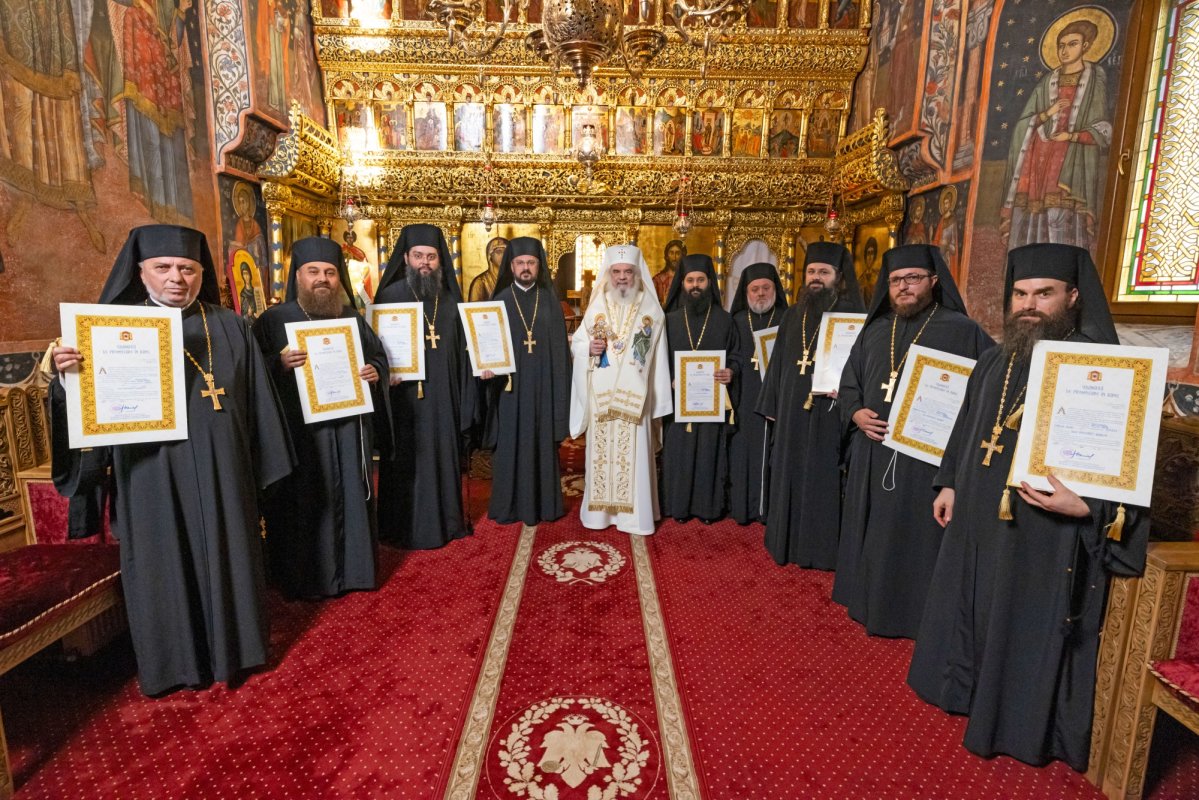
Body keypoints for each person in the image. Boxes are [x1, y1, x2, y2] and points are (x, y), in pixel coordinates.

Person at [908, 243, 1148, 771]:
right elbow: (967, 427)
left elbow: (1125, 459)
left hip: (1043, 528)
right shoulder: (995, 359)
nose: (1029, 305)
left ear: (1073, 296)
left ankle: (1011, 721)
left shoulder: (1099, 364)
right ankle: (963, 690)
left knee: (1018, 616)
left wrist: (1088, 506)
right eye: (1020, 294)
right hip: (977, 510)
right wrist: (949, 483)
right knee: (973, 598)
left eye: (1044, 293)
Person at [49, 224, 293, 696]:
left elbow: (260, 401)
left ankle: (237, 652)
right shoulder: (109, 329)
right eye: (163, 267)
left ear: (202, 273)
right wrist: (67, 380)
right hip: (151, 473)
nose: (176, 278)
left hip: (224, 472)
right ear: (140, 272)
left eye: (187, 268)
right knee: (164, 560)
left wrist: (262, 472)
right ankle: (176, 664)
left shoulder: (231, 326)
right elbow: (86, 413)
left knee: (230, 552)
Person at [834, 244, 993, 637]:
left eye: (913, 278)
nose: (903, 287)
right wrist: (855, 412)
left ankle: (908, 612)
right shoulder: (875, 330)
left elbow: (986, 393)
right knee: (871, 529)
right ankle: (866, 600)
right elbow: (849, 381)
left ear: (933, 281)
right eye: (895, 281)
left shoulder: (963, 331)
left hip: (923, 459)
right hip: (872, 451)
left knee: (911, 536)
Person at [251, 236, 390, 598]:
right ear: (298, 275)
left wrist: (375, 370)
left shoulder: (352, 318)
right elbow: (250, 372)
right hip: (301, 434)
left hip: (347, 430)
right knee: (306, 500)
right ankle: (304, 580)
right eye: (313, 271)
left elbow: (377, 356)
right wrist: (278, 363)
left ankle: (355, 572)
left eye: (329, 272)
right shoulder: (273, 320)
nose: (322, 279)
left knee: (351, 494)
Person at [757, 245, 863, 561]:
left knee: (822, 474)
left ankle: (820, 549)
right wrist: (772, 407)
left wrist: (849, 393)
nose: (816, 278)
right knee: (788, 470)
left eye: (823, 272)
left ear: (838, 277)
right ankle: (785, 543)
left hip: (830, 412)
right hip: (791, 413)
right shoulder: (793, 315)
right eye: (811, 272)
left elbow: (862, 367)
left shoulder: (852, 317)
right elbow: (777, 364)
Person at [373, 224, 477, 549]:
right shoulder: (389, 297)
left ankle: (445, 523)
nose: (425, 263)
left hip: (443, 397)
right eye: (418, 256)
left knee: (442, 456)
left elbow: (463, 351)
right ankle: (399, 528)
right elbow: (374, 352)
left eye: (431, 256)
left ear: (440, 260)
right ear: (405, 258)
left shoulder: (450, 300)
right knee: (405, 458)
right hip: (403, 399)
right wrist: (384, 373)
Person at [570, 244, 671, 535]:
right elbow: (579, 343)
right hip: (601, 396)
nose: (622, 277)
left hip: (635, 397)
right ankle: (600, 516)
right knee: (600, 457)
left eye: (628, 271)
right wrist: (588, 348)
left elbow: (658, 359)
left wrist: (658, 399)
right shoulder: (597, 306)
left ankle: (634, 518)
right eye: (616, 271)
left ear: (637, 274)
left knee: (635, 457)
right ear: (609, 273)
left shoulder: (651, 310)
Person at [480, 237, 570, 525]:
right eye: (520, 263)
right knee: (511, 445)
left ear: (539, 266)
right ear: (511, 266)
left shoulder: (550, 301)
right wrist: (486, 368)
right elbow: (486, 346)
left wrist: (560, 397)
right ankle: (509, 506)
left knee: (542, 444)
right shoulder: (500, 301)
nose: (526, 268)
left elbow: (561, 354)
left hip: (544, 389)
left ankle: (545, 506)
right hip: (510, 390)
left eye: (531, 262)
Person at [659, 254, 739, 522]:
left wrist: (731, 371)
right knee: (679, 453)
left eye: (701, 280)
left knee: (708, 454)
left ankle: (708, 508)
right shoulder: (669, 320)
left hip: (711, 405)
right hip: (678, 403)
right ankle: (678, 506)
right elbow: (658, 360)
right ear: (682, 284)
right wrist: (670, 378)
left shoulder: (725, 320)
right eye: (690, 280)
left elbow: (736, 355)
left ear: (710, 283)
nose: (695, 285)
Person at [728, 262, 787, 525]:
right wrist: (731, 371)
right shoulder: (738, 320)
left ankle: (769, 510)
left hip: (777, 397)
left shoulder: (787, 318)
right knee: (743, 452)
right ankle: (743, 508)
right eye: (755, 289)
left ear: (775, 289)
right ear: (746, 292)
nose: (760, 293)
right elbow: (732, 356)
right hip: (744, 396)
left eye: (766, 288)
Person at [468, 236, 509, 302]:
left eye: (506, 252)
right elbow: (474, 307)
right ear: (490, 256)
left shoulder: (515, 279)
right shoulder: (480, 282)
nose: (503, 255)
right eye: (499, 252)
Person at [652, 239, 686, 305]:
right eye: (671, 253)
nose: (674, 258)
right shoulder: (657, 280)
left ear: (683, 256)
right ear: (667, 256)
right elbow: (652, 305)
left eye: (678, 253)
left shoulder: (688, 279)